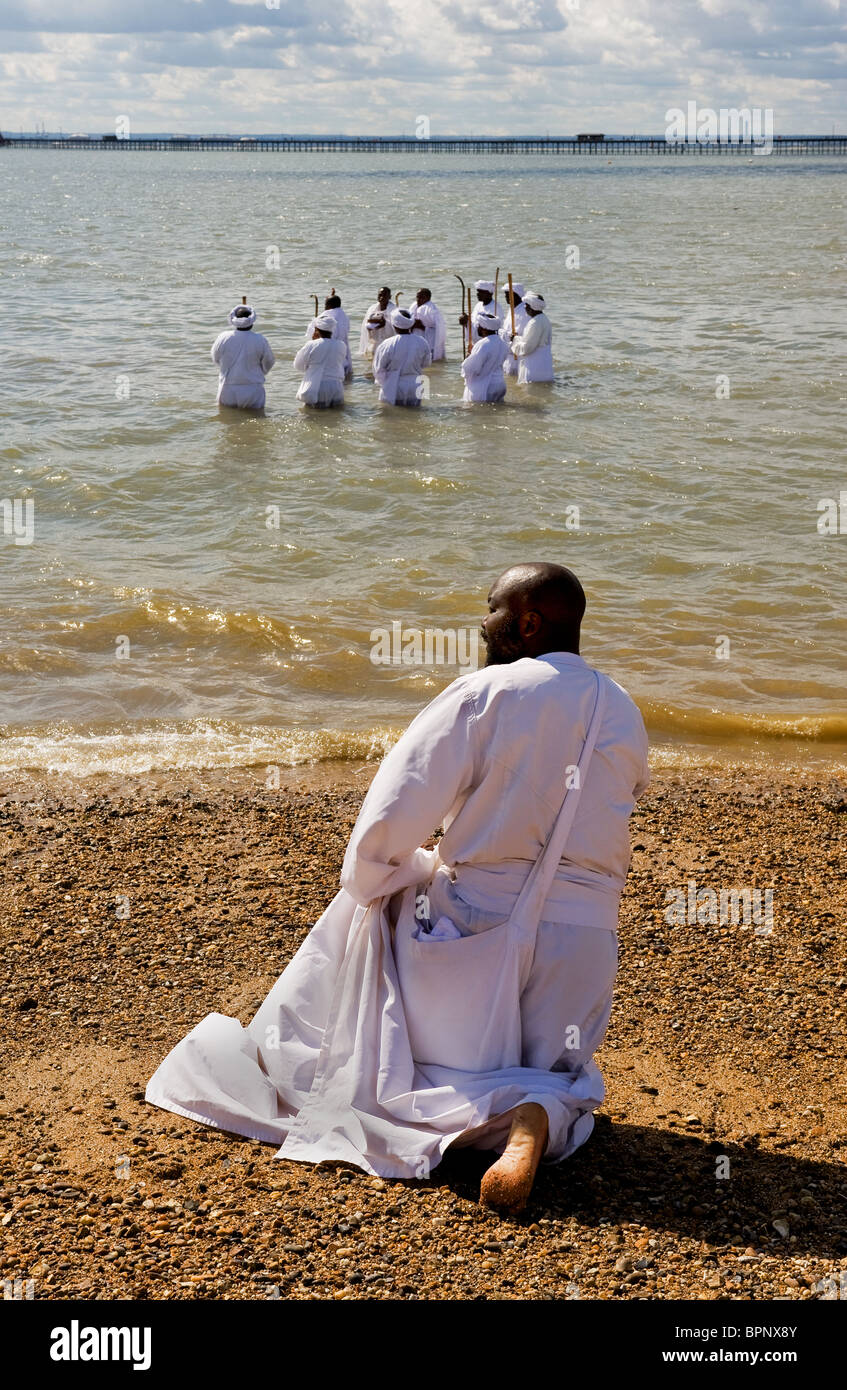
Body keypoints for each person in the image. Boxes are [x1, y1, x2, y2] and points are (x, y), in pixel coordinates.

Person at [146, 562, 649, 1213]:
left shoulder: (484, 694)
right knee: (560, 1072)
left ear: (526, 622)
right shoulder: (625, 712)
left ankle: (484, 1113)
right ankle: (539, 1112)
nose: (480, 622)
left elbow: (383, 828)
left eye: (490, 608)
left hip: (473, 941)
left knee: (378, 896)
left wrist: (387, 881)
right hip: (583, 954)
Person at [211, 304, 275, 409]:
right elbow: (269, 361)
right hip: (253, 388)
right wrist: (259, 372)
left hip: (227, 388)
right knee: (256, 420)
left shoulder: (223, 337)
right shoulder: (260, 339)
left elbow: (215, 358)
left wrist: (226, 369)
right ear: (252, 322)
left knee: (228, 422)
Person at [372, 306, 432, 406]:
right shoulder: (422, 342)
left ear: (394, 325)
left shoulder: (386, 344)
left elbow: (378, 369)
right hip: (416, 384)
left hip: (394, 385)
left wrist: (386, 383)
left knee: (393, 417)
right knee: (415, 417)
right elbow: (426, 364)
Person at [293, 312, 346, 408]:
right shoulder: (341, 345)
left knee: (313, 418)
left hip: (317, 387)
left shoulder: (311, 344)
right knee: (336, 419)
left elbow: (298, 365)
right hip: (337, 386)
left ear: (317, 330)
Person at [461, 309, 510, 402]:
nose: (477, 327)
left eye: (479, 325)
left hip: (485, 386)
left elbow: (471, 369)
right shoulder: (503, 343)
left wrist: (468, 357)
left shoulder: (482, 344)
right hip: (500, 385)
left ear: (484, 328)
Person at [305, 295, 352, 380]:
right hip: (340, 353)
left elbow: (311, 335)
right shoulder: (344, 316)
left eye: (326, 305)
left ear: (329, 306)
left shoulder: (326, 317)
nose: (325, 307)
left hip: (325, 356)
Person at [511, 291, 554, 383]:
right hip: (543, 363)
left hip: (534, 366)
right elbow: (533, 341)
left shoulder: (535, 322)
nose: (525, 307)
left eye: (526, 305)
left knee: (531, 391)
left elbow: (527, 348)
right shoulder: (543, 319)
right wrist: (518, 338)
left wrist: (514, 340)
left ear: (532, 307)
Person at [459, 280, 501, 347]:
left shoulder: (496, 308)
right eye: (478, 292)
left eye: (481, 292)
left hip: (487, 345)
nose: (478, 294)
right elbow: (473, 324)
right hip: (475, 344)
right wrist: (466, 322)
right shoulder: (478, 305)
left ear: (489, 294)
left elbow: (495, 329)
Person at [500, 283, 529, 378]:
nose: (506, 297)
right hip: (508, 354)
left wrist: (512, 337)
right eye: (505, 294)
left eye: (508, 294)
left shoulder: (524, 311)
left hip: (518, 356)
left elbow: (522, 333)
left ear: (517, 295)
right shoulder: (512, 309)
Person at [358, 287, 395, 360]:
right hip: (375, 343)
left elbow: (396, 329)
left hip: (388, 344)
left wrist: (385, 324)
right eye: (380, 295)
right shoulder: (372, 308)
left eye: (384, 295)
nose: (381, 297)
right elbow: (365, 326)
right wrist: (370, 326)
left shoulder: (394, 310)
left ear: (390, 297)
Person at [411, 288, 447, 361]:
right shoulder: (414, 306)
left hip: (430, 340)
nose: (419, 299)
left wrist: (422, 326)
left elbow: (436, 326)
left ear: (428, 298)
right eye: (417, 297)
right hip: (417, 340)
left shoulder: (430, 309)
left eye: (422, 297)